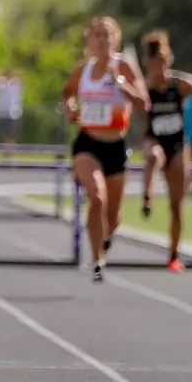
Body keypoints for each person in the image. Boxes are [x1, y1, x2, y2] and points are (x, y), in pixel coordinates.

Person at [61, 16, 148, 284]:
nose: (102, 40)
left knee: (113, 215)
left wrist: (120, 82)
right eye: (97, 34)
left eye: (107, 34)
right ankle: (97, 260)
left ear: (116, 39)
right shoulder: (82, 70)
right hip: (88, 143)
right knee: (97, 197)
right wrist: (71, 108)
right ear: (90, 40)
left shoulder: (125, 66)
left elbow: (144, 104)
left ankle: (106, 238)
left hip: (116, 146)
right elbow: (66, 93)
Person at [137, 33, 192, 271]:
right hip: (153, 139)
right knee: (154, 156)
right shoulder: (145, 86)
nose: (157, 71)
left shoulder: (180, 83)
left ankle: (173, 255)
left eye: (161, 65)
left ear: (168, 62)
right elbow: (130, 103)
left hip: (177, 144)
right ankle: (147, 197)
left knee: (176, 204)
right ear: (148, 64)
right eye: (153, 66)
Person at [0, 69, 23, 147]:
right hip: (2, 113)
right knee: (4, 133)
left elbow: (19, 81)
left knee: (12, 133)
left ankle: (11, 149)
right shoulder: (1, 84)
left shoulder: (15, 84)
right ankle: (7, 148)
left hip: (12, 113)